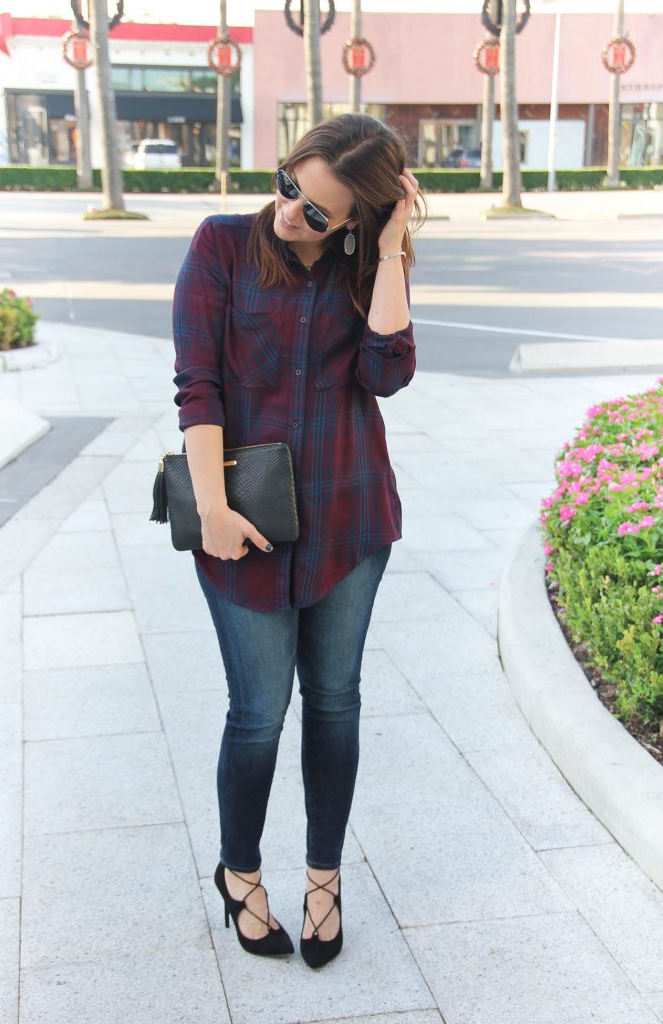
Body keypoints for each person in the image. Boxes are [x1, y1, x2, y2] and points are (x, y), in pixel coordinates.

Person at [172, 112, 424, 968]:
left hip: (350, 519)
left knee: (336, 701)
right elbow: (197, 387)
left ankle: (324, 879)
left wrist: (389, 251)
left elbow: (387, 374)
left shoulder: (363, 269)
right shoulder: (220, 246)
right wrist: (210, 509)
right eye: (288, 185)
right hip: (241, 522)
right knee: (255, 714)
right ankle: (239, 875)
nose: (289, 213)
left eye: (317, 212)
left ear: (356, 217)